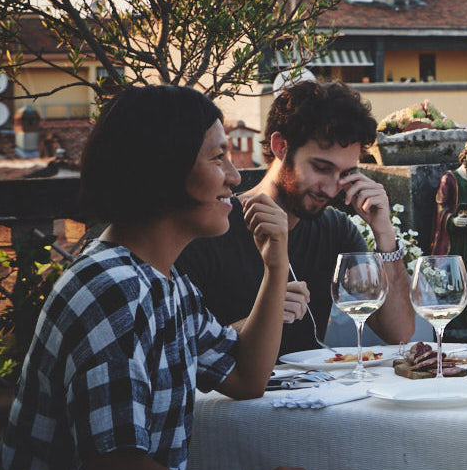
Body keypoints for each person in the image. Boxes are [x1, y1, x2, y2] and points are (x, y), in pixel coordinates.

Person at [0, 85, 356, 470]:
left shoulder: (162, 280)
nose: (235, 177)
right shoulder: (113, 289)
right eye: (217, 158)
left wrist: (275, 268)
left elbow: (245, 378)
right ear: (165, 169)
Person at [175, 79, 412, 355]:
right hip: (231, 397)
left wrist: (384, 234)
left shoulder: (336, 230)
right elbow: (180, 351)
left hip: (315, 393)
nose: (332, 187)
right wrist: (263, 317)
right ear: (280, 146)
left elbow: (399, 333)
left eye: (345, 174)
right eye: (321, 167)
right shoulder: (212, 228)